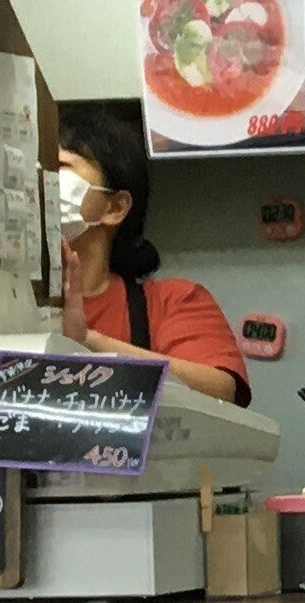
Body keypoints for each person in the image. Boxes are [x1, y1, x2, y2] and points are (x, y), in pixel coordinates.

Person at [52, 111, 248, 403]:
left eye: (60, 166)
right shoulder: (2, 298)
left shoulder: (172, 301)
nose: (41, 178)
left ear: (115, 208)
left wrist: (87, 342)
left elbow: (221, 392)